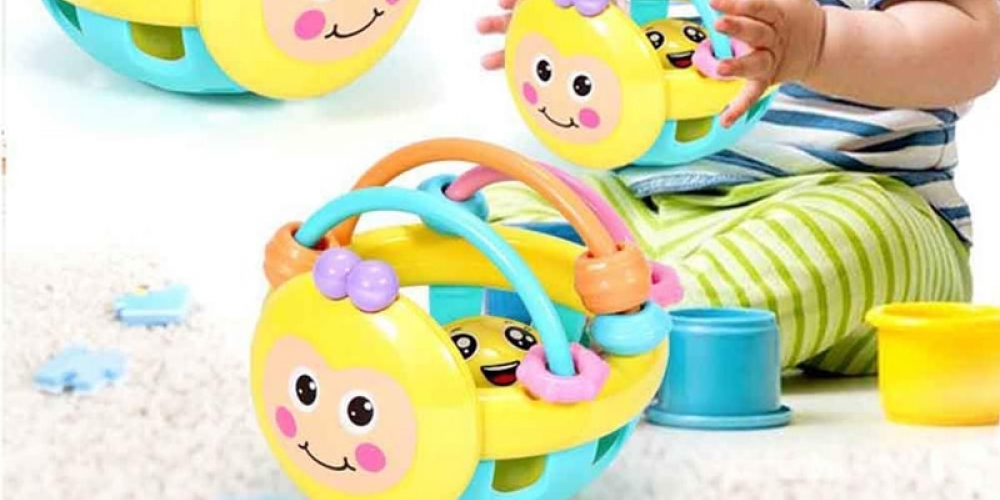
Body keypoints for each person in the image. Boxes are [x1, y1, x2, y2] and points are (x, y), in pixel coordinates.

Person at [475, 0, 1000, 375]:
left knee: (862, 233)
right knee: (508, 194)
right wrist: (565, 36)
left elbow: (975, 43)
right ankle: (520, 329)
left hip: (853, 201)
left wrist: (816, 44)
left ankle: (631, 343)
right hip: (643, 210)